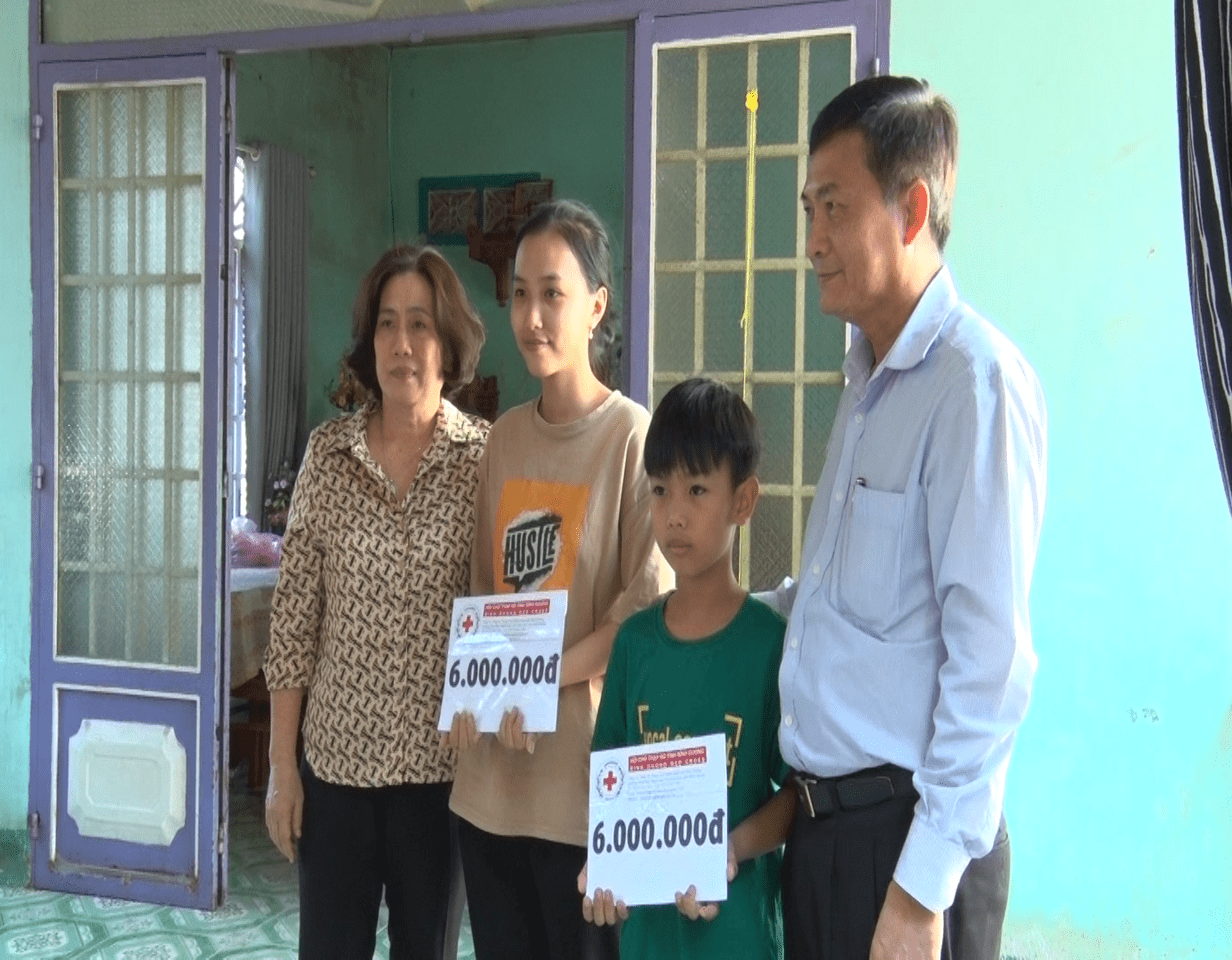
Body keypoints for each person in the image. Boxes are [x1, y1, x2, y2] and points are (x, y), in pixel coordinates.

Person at [766, 76, 1048, 960]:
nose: (813, 241)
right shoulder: (866, 384)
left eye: (835, 208)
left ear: (913, 207)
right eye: (808, 210)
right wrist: (703, 612)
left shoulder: (973, 385)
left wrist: (922, 890)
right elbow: (833, 606)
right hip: (824, 836)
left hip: (905, 846)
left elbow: (990, 660)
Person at [444, 199, 672, 960]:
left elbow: (637, 620)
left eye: (553, 294)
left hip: (581, 798)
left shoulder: (632, 438)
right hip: (491, 789)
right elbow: (486, 599)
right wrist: (480, 693)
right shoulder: (504, 438)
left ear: (596, 306)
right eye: (519, 294)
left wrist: (536, 681)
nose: (532, 316)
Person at [262, 244, 489, 960]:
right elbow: (293, 627)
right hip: (336, 776)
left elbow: (504, 612)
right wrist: (282, 770)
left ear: (448, 343)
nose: (402, 343)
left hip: (440, 781)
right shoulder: (328, 457)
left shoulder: (484, 460)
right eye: (387, 323)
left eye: (420, 324)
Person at [580, 377, 797, 960]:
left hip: (740, 940)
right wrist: (604, 870)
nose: (674, 514)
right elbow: (608, 785)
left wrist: (732, 849)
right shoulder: (633, 645)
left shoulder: (771, 646)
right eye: (660, 490)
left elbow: (797, 795)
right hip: (648, 942)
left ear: (743, 501)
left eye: (697, 490)